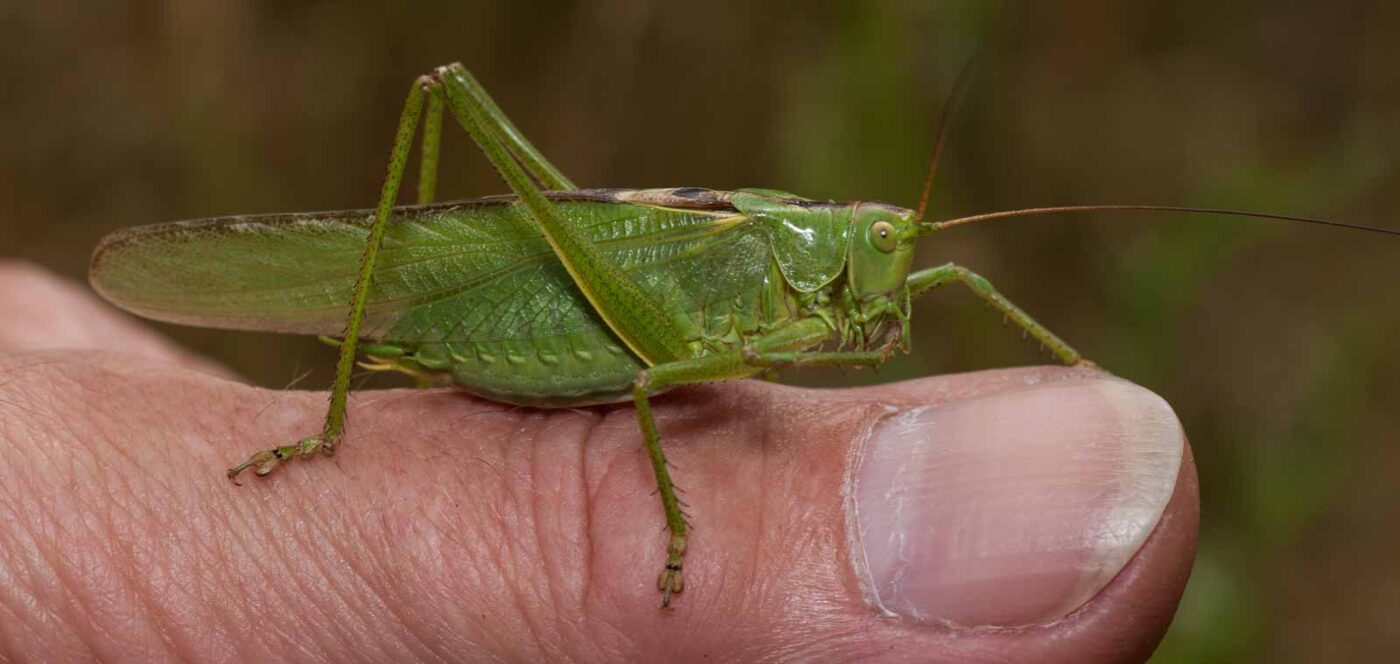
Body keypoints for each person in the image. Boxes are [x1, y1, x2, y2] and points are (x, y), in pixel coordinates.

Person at [0, 263, 1196, 662]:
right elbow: (650, 374)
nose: (883, 266)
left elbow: (928, 293)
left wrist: (1079, 383)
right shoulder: (761, 260)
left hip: (609, 335)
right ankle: (327, 423)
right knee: (452, 99)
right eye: (873, 246)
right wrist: (672, 533)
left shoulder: (843, 281)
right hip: (581, 335)